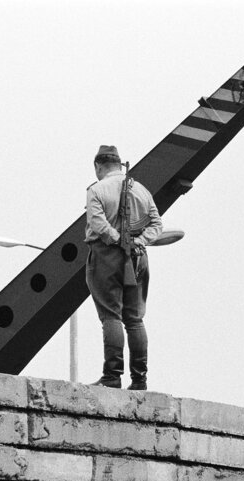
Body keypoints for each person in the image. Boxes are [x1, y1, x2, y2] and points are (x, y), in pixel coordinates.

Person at [85, 145, 162, 390]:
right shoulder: (142, 190)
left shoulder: (97, 189)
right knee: (135, 319)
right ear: (119, 165)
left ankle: (112, 375)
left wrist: (117, 239)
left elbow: (97, 224)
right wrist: (138, 241)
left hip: (106, 255)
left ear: (98, 166)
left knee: (111, 315)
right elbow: (156, 225)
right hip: (138, 256)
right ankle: (140, 379)